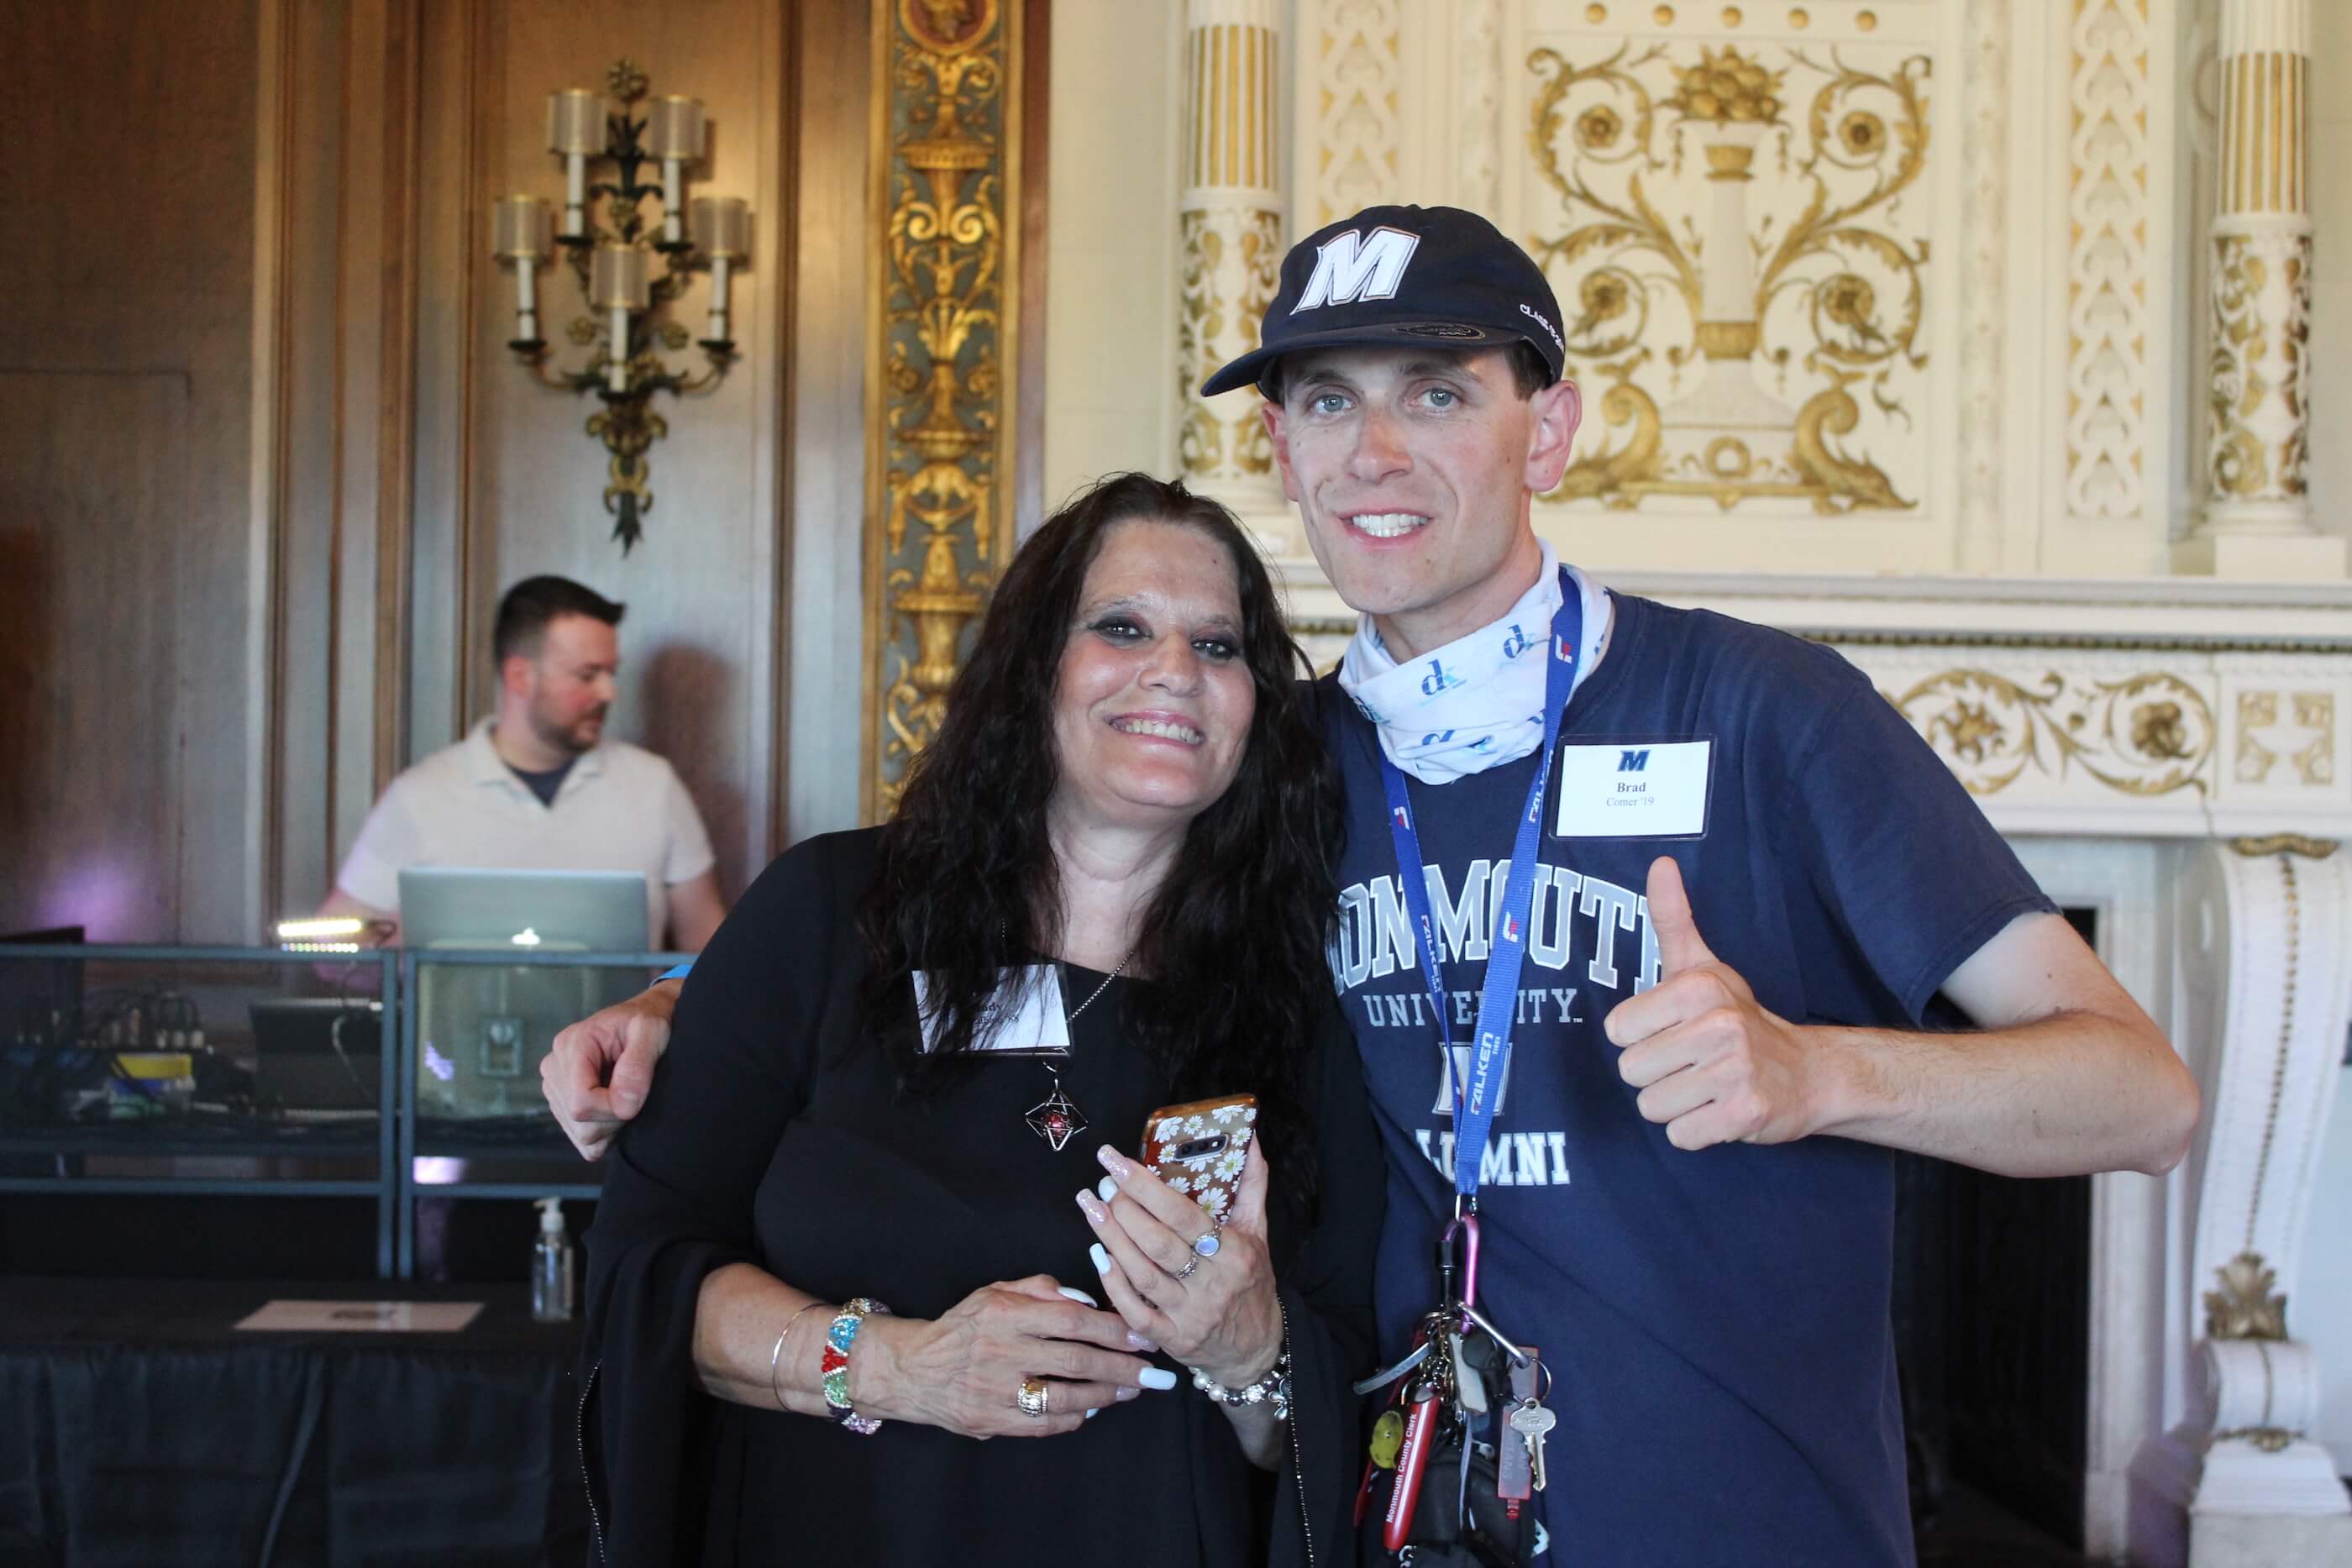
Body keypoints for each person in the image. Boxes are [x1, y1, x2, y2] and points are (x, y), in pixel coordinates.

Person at [549, 207, 2201, 1565]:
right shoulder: (1277, 766)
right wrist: (678, 1003)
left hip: (1738, 1524)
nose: (1374, 450)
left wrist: (1813, 1069)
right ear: (1276, 440)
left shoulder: (1766, 713)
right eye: (1327, 399)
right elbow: (1014, 917)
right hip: (1395, 1523)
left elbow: (2135, 1092)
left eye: (1434, 388)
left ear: (1543, 425)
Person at [580, 474, 1382, 1565]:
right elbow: (644, 1273)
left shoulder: (1294, 1005)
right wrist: (894, 1363)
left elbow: (1333, 1427)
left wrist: (1254, 1348)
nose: (1176, 673)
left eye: (1220, 644)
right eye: (1122, 626)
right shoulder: (828, 916)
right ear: (1031, 664)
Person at [318, 574, 727, 952]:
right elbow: (331, 947)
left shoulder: (655, 787)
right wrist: (413, 943)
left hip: (620, 1032)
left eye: (611, 673)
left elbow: (710, 951)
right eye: (588, 675)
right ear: (519, 677)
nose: (608, 693)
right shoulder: (420, 795)